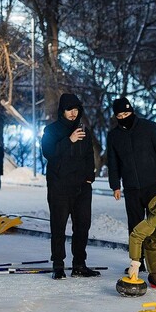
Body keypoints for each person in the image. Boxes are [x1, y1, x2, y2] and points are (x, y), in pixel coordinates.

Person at [106, 96, 156, 271]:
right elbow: (113, 162)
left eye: (126, 113)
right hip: (131, 188)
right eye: (119, 116)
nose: (123, 118)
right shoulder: (114, 136)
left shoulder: (149, 127)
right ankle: (138, 261)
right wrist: (115, 185)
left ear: (132, 111)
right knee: (135, 226)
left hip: (153, 185)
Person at [41, 92, 100, 280]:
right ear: (62, 111)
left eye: (76, 109)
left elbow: (89, 155)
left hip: (82, 187)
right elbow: (49, 153)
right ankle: (58, 265)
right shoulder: (51, 131)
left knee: (82, 226)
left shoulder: (84, 130)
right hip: (59, 187)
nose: (73, 113)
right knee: (58, 227)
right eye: (69, 110)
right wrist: (69, 140)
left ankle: (79, 264)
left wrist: (90, 177)